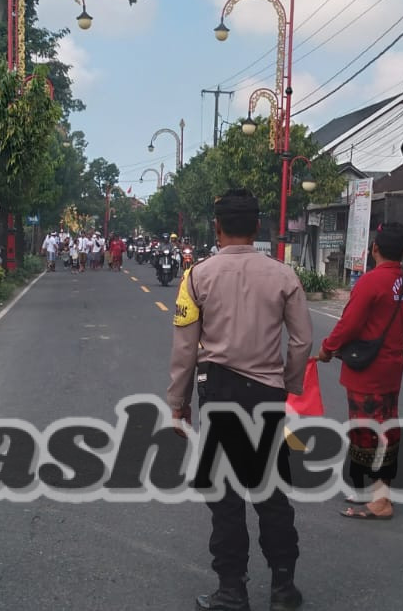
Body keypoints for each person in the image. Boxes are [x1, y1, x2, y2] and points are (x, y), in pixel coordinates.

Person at [168, 189, 312, 611]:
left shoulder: (197, 276)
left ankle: (232, 590)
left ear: (217, 227)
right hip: (267, 396)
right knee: (272, 493)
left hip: (220, 394)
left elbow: (184, 346)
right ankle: (284, 588)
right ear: (256, 228)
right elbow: (302, 340)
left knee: (226, 498)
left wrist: (178, 400)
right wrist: (288, 384)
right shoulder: (284, 276)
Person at [316, 221, 403, 521]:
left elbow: (349, 324)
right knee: (385, 426)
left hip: (368, 370)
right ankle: (375, 490)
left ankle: (381, 498)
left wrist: (327, 348)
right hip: (392, 367)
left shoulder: (371, 282)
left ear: (374, 249)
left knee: (368, 431)